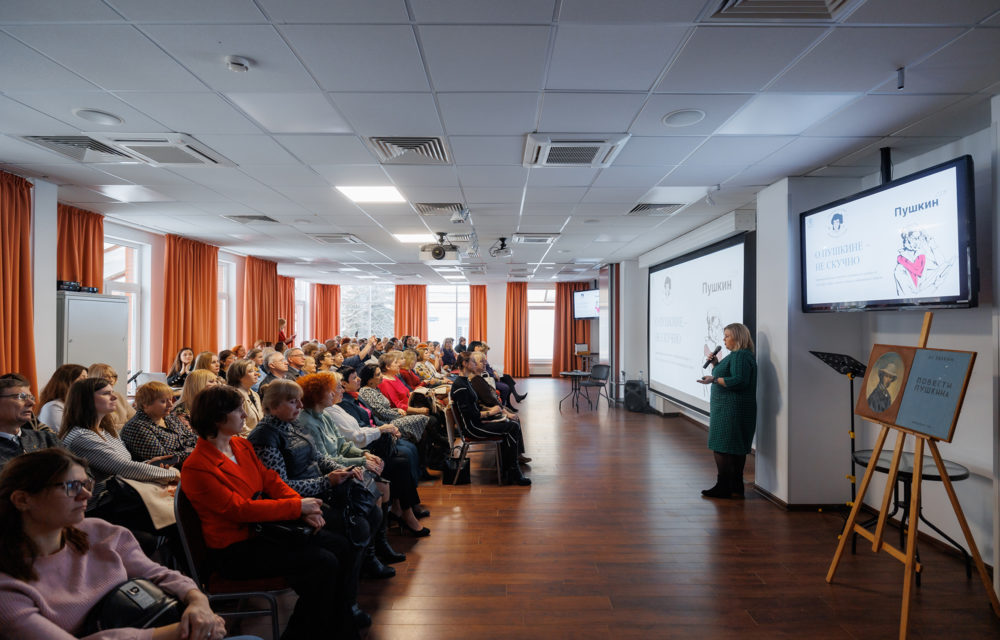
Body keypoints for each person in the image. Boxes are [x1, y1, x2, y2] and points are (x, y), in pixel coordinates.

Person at [180, 385, 360, 639]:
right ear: (218, 417)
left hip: (263, 533)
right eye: (238, 409)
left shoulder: (240, 446)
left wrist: (301, 507)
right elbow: (239, 510)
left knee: (341, 546)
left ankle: (337, 628)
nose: (245, 415)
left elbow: (271, 480)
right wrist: (297, 507)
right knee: (324, 563)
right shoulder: (197, 466)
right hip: (234, 550)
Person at [0, 449, 227, 640]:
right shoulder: (8, 585)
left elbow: (159, 574)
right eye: (71, 487)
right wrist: (181, 631)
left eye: (86, 484)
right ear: (22, 500)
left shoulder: (99, 532)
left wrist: (198, 603)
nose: (86, 494)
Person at [247, 380, 390, 582]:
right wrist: (327, 481)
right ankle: (348, 595)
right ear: (273, 405)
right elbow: (281, 486)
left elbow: (318, 458)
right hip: (299, 502)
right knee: (358, 525)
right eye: (292, 401)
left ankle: (360, 569)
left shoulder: (292, 423)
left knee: (372, 510)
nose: (300, 406)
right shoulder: (265, 437)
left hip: (317, 490)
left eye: (299, 401)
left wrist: (342, 470)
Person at [452, 352, 531, 486]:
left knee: (510, 424)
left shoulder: (465, 382)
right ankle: (513, 471)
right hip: (473, 428)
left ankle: (510, 469)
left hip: (476, 422)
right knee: (513, 427)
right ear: (465, 364)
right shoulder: (460, 386)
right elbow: (470, 414)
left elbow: (474, 408)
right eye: (472, 361)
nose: (475, 364)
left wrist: (490, 411)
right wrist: (490, 413)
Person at [697, 322, 757, 499]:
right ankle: (735, 486)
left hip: (730, 410)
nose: (724, 339)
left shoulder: (739, 356)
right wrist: (716, 364)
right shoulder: (741, 356)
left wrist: (713, 380)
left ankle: (723, 487)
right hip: (732, 409)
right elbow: (732, 376)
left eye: (727, 336)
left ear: (738, 337)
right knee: (734, 448)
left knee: (722, 447)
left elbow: (739, 381)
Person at [120, 381, 197, 468]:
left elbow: (191, 437)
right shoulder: (136, 427)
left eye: (170, 399)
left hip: (190, 462)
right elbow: (164, 458)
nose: (170, 404)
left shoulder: (169, 418)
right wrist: (197, 453)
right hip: (161, 474)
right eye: (163, 401)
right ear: (146, 404)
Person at [0, 378, 62, 472]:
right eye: (21, 397)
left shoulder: (47, 439)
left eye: (32, 398)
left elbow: (80, 471)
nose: (32, 403)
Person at [37, 364, 87, 433]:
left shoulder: (78, 406)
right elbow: (64, 437)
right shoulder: (53, 407)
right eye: (82, 379)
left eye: (87, 379)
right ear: (66, 381)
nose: (87, 384)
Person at [87, 363, 135, 432]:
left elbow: (134, 418)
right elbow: (105, 426)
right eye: (106, 376)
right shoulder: (92, 398)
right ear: (95, 377)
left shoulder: (118, 396)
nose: (111, 379)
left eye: (113, 376)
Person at [226, 360, 263, 434]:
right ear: (238, 376)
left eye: (255, 370)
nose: (256, 374)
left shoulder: (255, 394)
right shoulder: (234, 396)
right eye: (250, 371)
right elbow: (241, 428)